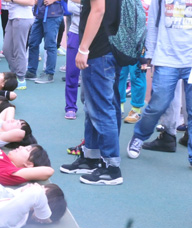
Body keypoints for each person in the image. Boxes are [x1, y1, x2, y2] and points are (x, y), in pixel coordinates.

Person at [59, 0, 123, 185]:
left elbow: (98, 10)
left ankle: (111, 167)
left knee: (101, 108)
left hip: (100, 49)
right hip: (110, 46)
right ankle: (92, 156)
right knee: (95, 106)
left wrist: (83, 48)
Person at [126, 0, 192, 164]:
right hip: (166, 58)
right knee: (157, 105)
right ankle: (139, 136)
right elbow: (153, 24)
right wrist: (149, 54)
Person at [25, 0, 64, 84]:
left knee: (50, 45)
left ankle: (49, 73)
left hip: (53, 15)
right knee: (32, 42)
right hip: (40, 14)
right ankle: (31, 71)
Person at [3, 0, 35, 90]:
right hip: (12, 16)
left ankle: (20, 77)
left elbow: (31, 2)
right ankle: (14, 74)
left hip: (23, 17)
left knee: (19, 49)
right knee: (6, 49)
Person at [64, 0, 82, 119]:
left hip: (96, 34)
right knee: (72, 72)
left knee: (94, 73)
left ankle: (92, 104)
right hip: (75, 32)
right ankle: (70, 107)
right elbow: (70, 8)